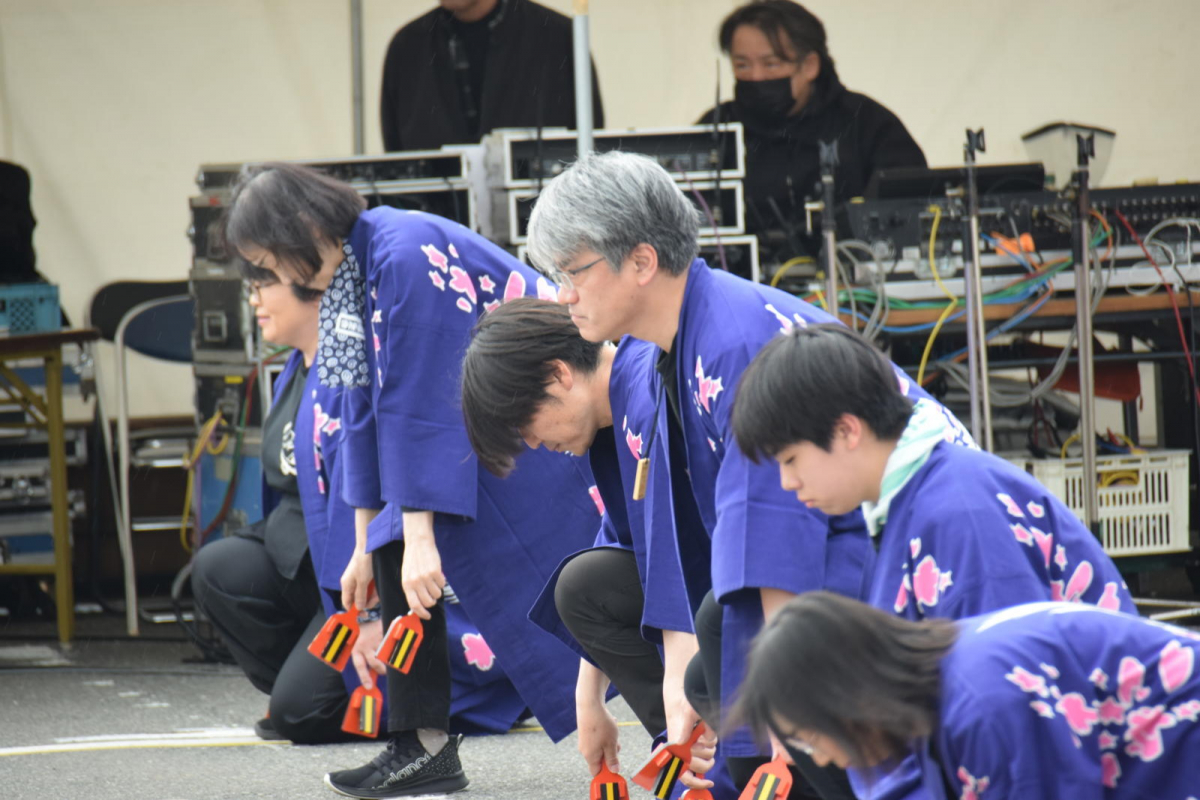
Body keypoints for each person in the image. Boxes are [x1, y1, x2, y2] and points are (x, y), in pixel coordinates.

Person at [525, 150, 972, 799]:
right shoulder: (665, 347)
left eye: (574, 272)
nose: (563, 294)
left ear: (643, 262)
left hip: (920, 535)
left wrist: (780, 700)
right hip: (854, 531)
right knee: (712, 651)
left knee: (748, 653)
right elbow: (668, 536)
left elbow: (778, 532)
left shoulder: (733, 341)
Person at [221, 163, 600, 798]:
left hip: (542, 404)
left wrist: (414, 534)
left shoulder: (401, 251)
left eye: (270, 259)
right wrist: (368, 539)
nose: (275, 277)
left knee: (579, 562)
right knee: (397, 549)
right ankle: (419, 744)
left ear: (302, 231)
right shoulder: (350, 273)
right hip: (474, 422)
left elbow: (422, 399)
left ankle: (427, 742)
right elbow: (359, 412)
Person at [191, 246, 527, 746]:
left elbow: (386, 490)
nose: (254, 300)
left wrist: (371, 613)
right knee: (218, 567)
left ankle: (427, 694)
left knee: (301, 714)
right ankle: (313, 679)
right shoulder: (293, 368)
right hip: (307, 556)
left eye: (264, 285)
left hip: (361, 559)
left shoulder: (352, 365)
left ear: (310, 287)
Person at [461, 298, 726, 794]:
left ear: (560, 375)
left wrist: (677, 685)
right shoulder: (609, 418)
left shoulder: (645, 393)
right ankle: (700, 758)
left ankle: (718, 756)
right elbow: (626, 546)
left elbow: (672, 560)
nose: (536, 444)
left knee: (594, 586)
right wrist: (589, 699)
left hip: (754, 586)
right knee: (584, 583)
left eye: (527, 426)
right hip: (713, 592)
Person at [731, 323, 1136, 621]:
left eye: (790, 460)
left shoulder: (959, 512)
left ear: (847, 430)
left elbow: (1006, 699)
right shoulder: (911, 498)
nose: (787, 482)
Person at [735, 592, 1200, 800]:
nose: (819, 758)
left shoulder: (981, 704)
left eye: (811, 736)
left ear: (844, 698)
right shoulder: (933, 691)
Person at [696, 0, 925, 260]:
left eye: (771, 64)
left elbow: (913, 202)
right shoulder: (715, 128)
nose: (756, 77)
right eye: (742, 65)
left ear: (810, 66)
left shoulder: (866, 122)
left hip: (855, 289)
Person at [381, 0, 604, 151]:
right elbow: (396, 150)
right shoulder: (408, 46)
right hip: (434, 212)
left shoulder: (558, 36)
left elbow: (590, 135)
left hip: (540, 211)